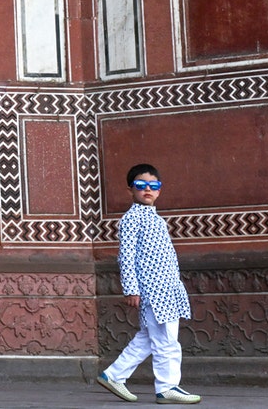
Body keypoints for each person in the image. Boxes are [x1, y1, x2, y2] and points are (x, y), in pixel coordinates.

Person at [97, 164, 202, 405]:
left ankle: (113, 375)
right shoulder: (131, 219)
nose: (147, 190)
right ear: (130, 190)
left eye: (153, 186)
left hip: (166, 288)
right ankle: (167, 387)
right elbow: (126, 256)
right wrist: (131, 288)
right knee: (166, 340)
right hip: (153, 290)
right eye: (141, 185)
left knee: (149, 338)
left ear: (159, 191)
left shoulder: (154, 218)